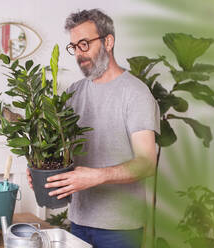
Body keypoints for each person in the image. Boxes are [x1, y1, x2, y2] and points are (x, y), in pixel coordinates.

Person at [27, 9, 160, 248]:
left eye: (85, 44)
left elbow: (147, 163)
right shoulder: (73, 93)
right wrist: (41, 171)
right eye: (74, 46)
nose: (79, 53)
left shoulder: (136, 94)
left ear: (108, 41)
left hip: (121, 228)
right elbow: (61, 152)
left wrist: (96, 176)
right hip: (78, 221)